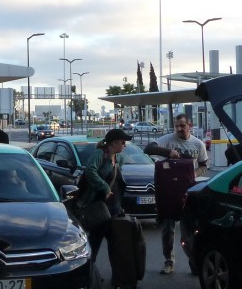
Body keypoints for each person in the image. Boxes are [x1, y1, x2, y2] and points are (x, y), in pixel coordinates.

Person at [144, 113, 208, 275]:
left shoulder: (198, 144)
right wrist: (168, 152)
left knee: (190, 231)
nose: (179, 129)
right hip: (169, 192)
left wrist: (193, 174)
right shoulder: (167, 140)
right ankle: (169, 261)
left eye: (182, 126)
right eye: (177, 126)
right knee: (167, 229)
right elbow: (148, 148)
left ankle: (194, 262)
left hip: (187, 192)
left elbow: (204, 164)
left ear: (190, 126)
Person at [76, 128, 130, 260]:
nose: (125, 145)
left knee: (116, 242)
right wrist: (105, 187)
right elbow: (90, 171)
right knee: (95, 239)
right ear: (113, 143)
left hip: (114, 208)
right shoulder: (100, 154)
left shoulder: (119, 158)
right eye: (123, 142)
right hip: (98, 206)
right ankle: (89, 270)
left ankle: (118, 277)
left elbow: (116, 179)